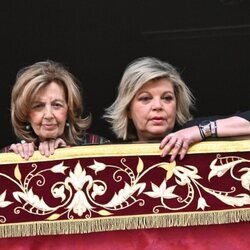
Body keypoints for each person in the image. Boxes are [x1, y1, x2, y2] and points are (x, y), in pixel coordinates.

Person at [104, 57, 250, 162]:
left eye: (167, 98)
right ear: (128, 109)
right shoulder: (110, 154)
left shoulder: (196, 133)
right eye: (145, 98)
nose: (157, 106)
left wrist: (200, 131)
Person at [1, 60, 109, 159]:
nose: (48, 115)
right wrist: (18, 161)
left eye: (56, 105)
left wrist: (67, 156)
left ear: (69, 110)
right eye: (38, 106)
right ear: (25, 114)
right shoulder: (8, 155)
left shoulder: (102, 148)